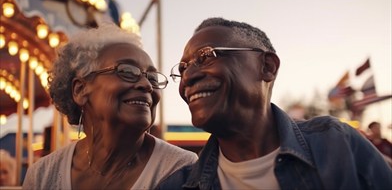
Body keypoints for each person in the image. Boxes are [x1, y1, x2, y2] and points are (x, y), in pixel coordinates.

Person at [156, 17, 392, 189]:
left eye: (205, 56)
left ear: (267, 67)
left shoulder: (335, 144)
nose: (187, 77)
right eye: (183, 68)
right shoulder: (177, 185)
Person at [22, 23, 197, 190]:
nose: (147, 85)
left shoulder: (181, 170)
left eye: (152, 77)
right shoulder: (42, 176)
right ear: (80, 90)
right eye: (127, 71)